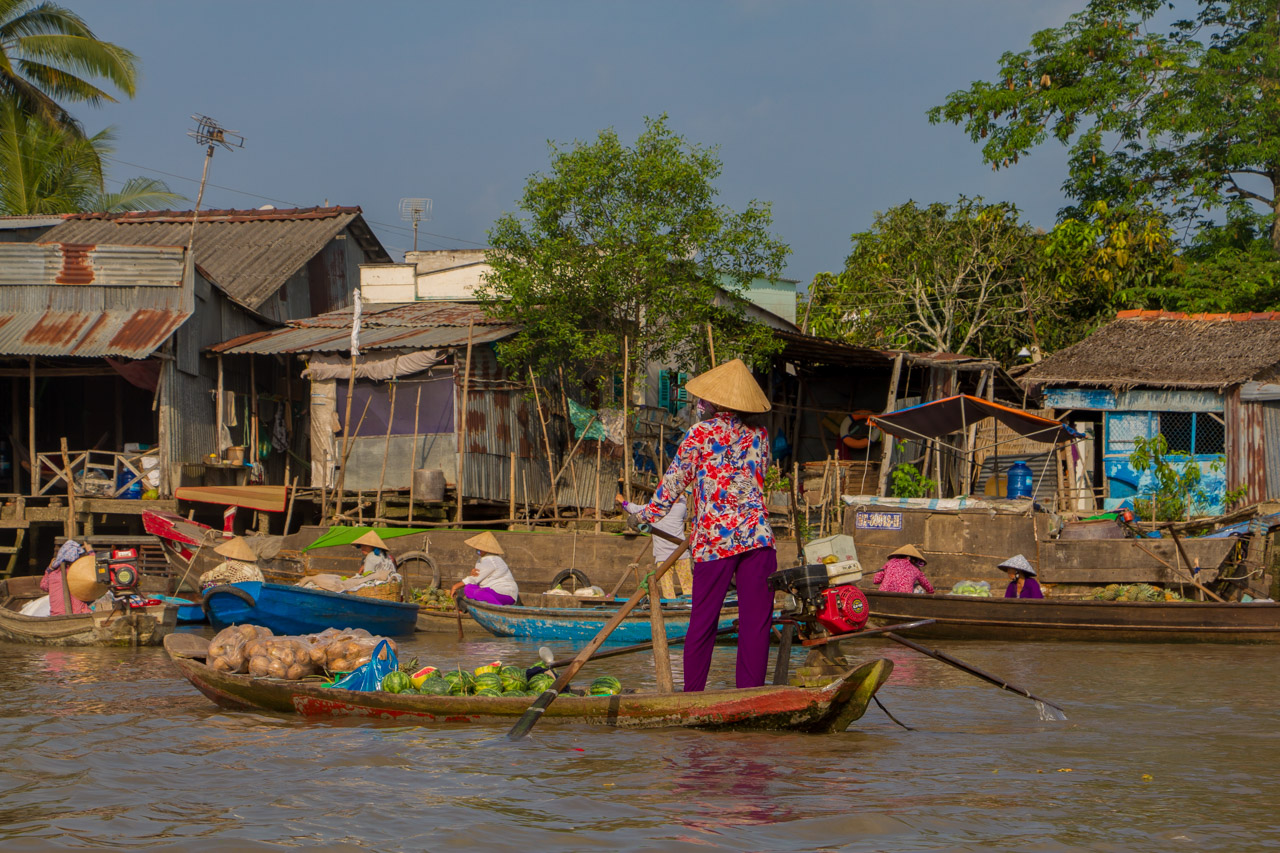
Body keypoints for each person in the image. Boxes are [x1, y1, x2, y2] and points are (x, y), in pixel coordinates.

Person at [632, 358, 775, 693]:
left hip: (715, 541)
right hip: (758, 537)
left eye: (705, 401)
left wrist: (643, 517)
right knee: (756, 626)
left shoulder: (700, 433)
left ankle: (692, 695)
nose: (700, 405)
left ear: (714, 403)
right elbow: (757, 480)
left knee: (703, 623)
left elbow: (671, 486)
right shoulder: (761, 436)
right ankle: (750, 695)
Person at [617, 491, 691, 598]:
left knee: (667, 585)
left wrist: (622, 501)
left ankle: (671, 604)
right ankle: (690, 604)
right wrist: (680, 495)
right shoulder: (680, 508)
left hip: (663, 554)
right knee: (687, 583)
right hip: (681, 552)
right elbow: (682, 501)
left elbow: (631, 508)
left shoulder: (651, 510)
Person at [450, 531, 518, 606]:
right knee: (468, 588)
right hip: (490, 591)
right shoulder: (483, 559)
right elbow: (476, 577)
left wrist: (455, 586)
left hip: (505, 594)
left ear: (486, 549)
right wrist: (473, 574)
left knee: (479, 593)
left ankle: (499, 609)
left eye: (479, 549)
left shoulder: (491, 560)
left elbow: (474, 579)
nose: (477, 550)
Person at [41, 540, 94, 616]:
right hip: (78, 614)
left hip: (56, 615)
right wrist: (90, 551)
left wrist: (49, 569)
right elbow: (95, 569)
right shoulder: (78, 573)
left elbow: (43, 586)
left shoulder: (53, 574)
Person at [199, 537, 265, 590]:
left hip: (240, 594)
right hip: (255, 593)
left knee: (207, 584)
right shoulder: (255, 567)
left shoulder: (230, 564)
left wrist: (201, 585)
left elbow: (204, 578)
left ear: (228, 556)